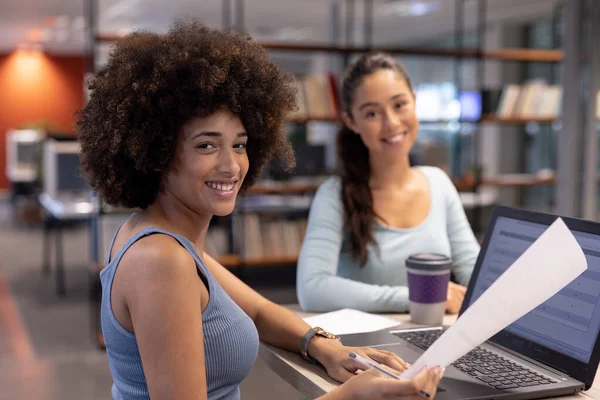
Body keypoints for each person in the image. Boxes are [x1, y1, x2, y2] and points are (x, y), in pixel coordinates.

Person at [77, 21, 443, 400]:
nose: (231, 165)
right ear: (156, 154)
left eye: (239, 144)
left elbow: (258, 312)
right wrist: (350, 396)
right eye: (206, 146)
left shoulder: (163, 237)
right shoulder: (161, 260)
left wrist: (323, 346)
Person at [296, 52, 480, 314]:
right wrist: (418, 297)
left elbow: (474, 271)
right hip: (364, 347)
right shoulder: (335, 194)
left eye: (399, 105)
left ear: (414, 102)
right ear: (351, 121)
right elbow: (312, 289)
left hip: (433, 335)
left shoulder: (438, 183)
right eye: (372, 113)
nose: (391, 123)